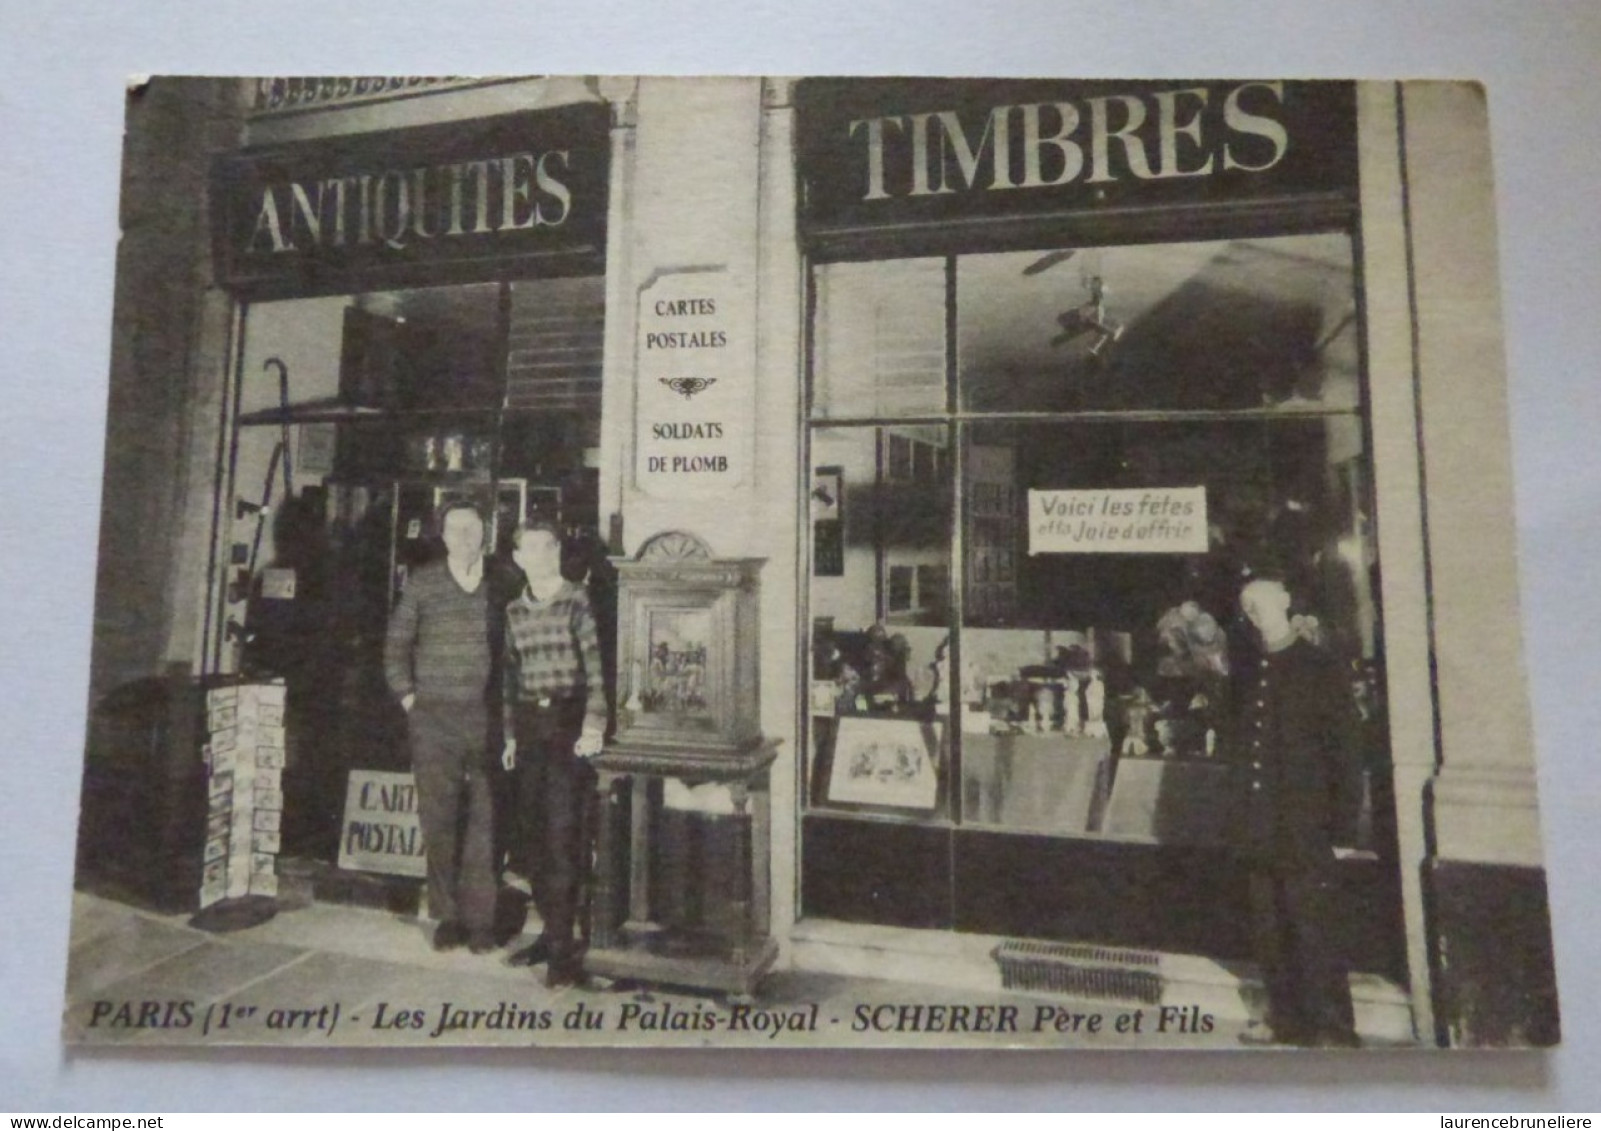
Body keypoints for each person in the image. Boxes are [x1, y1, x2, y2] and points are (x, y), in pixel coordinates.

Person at [1235, 573, 1366, 1047]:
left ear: (1286, 602)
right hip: (1260, 824)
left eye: (1263, 601)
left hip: (1306, 824)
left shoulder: (1318, 666)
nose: (1255, 611)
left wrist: (1344, 828)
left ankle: (1333, 1028)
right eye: (1247, 605)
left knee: (1314, 929)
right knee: (1270, 930)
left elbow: (1345, 752)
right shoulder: (1250, 670)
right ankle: (1286, 1018)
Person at [383, 501, 498, 953]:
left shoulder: (502, 583)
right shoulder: (424, 583)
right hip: (433, 721)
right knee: (440, 819)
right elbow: (395, 648)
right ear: (443, 536)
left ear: (486, 532)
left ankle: (482, 922)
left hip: (486, 720)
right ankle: (447, 917)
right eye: (456, 529)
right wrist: (410, 699)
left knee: (487, 823)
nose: (465, 536)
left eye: (472, 527)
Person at [500, 521, 607, 987]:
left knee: (565, 838)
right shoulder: (513, 612)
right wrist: (509, 737)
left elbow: (597, 670)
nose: (542, 555)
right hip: (529, 729)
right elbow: (509, 680)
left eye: (550, 547)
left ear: (559, 552)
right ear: (518, 557)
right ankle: (549, 933)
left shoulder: (577, 600)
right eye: (532, 548)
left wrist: (594, 725)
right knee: (535, 839)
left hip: (568, 726)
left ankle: (564, 951)